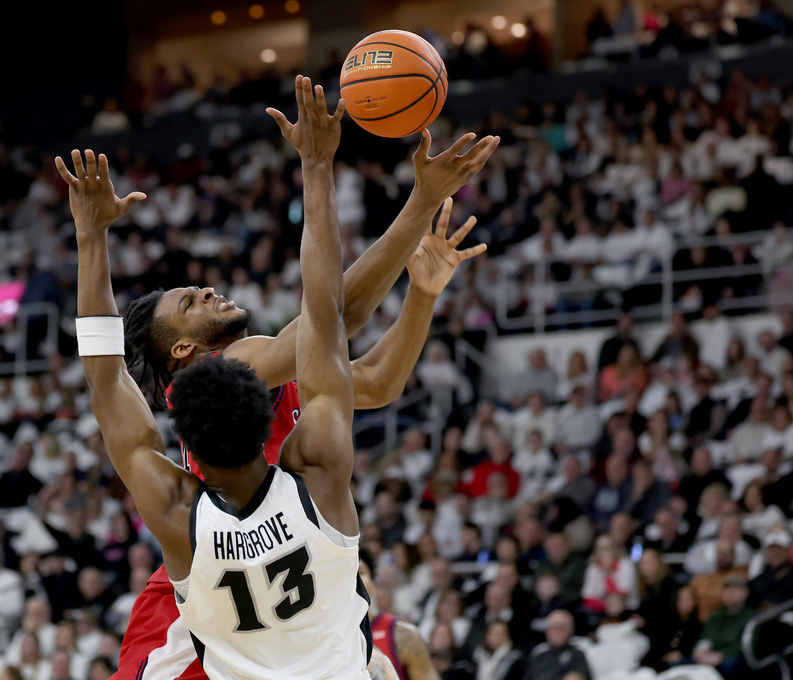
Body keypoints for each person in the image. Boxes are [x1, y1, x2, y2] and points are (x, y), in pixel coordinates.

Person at [67, 77, 496, 680]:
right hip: (195, 606)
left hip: (222, 563)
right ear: (186, 349)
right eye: (191, 301)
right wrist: (411, 202)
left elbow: (374, 382)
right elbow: (333, 316)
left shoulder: (263, 380)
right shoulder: (228, 371)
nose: (210, 290)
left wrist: (420, 296)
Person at [360, 553, 440, 680]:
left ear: (374, 585)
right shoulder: (321, 634)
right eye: (347, 572)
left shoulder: (403, 635)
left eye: (359, 572)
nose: (353, 578)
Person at [521, 610, 591, 680]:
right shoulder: (539, 653)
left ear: (571, 630)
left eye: (560, 628)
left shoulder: (577, 654)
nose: (556, 633)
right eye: (552, 628)